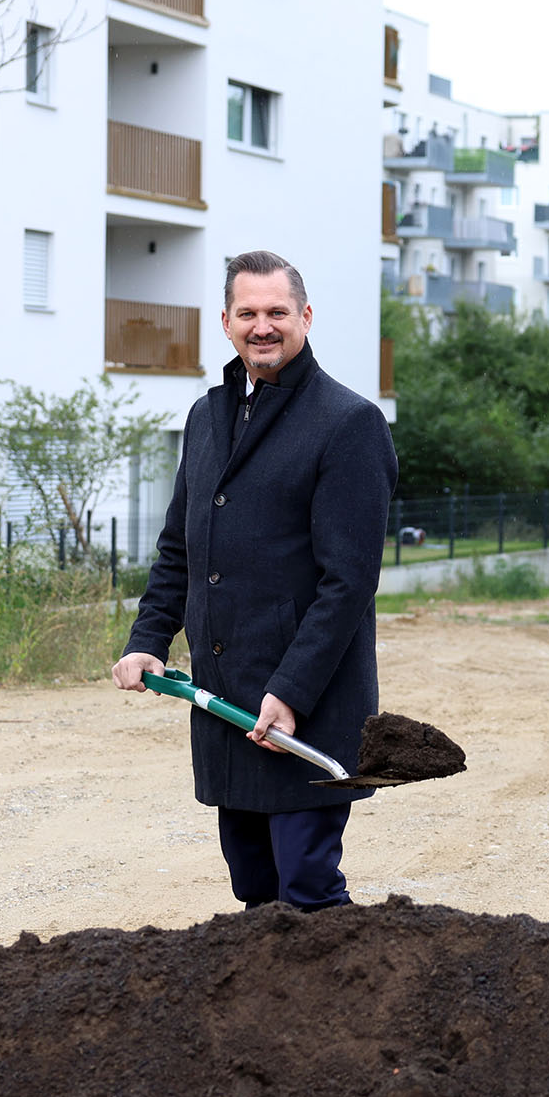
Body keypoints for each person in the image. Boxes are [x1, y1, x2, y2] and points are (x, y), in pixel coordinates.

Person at [112, 250, 396, 912]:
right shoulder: (206, 418)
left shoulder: (348, 423)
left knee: (307, 890)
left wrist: (291, 691)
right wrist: (147, 637)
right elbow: (179, 549)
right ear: (226, 320)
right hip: (225, 704)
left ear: (305, 316)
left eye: (277, 312)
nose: (262, 326)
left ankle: (344, 1013)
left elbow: (348, 583)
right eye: (249, 313)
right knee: (255, 891)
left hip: (307, 713)